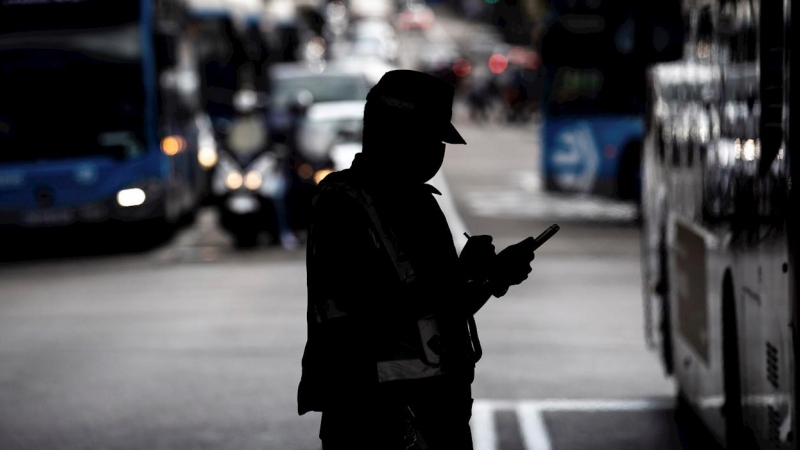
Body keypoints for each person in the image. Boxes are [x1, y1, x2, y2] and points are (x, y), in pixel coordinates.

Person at [298, 70, 537, 449]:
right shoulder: (343, 208)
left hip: (439, 417)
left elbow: (440, 316)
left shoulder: (421, 205)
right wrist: (462, 276)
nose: (436, 154)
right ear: (394, 134)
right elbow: (369, 314)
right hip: (372, 425)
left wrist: (490, 278)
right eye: (430, 139)